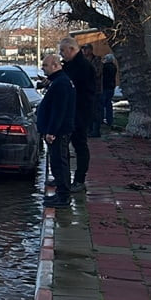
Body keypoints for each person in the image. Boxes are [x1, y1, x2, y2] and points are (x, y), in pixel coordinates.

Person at [37, 53, 75, 208]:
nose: (42, 68)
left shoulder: (61, 83)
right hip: (59, 129)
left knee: (60, 163)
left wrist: (52, 131)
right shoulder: (58, 81)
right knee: (57, 162)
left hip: (59, 131)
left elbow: (58, 110)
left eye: (45, 65)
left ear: (55, 65)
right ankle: (61, 193)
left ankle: (64, 197)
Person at [59, 37, 96, 190]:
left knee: (79, 145)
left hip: (80, 111)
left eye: (63, 50)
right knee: (61, 146)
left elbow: (80, 90)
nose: (61, 54)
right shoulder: (69, 65)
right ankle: (63, 177)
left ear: (72, 50)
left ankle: (79, 180)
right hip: (70, 111)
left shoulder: (82, 66)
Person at [83, 44, 102, 137]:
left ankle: (96, 130)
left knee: (95, 111)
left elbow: (97, 73)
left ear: (90, 50)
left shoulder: (97, 60)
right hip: (85, 90)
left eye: (86, 49)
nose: (84, 51)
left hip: (95, 90)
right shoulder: (83, 61)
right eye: (83, 49)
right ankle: (88, 129)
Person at [101, 54, 117, 128]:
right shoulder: (114, 67)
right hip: (111, 87)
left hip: (105, 87)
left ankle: (101, 119)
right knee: (108, 104)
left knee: (101, 104)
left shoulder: (104, 67)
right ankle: (109, 120)